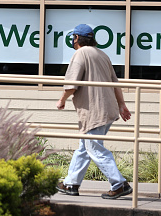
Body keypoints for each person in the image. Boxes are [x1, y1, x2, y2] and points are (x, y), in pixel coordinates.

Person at [56, 23, 133, 200]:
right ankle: (71, 183)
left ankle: (119, 184)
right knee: (85, 147)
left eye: (73, 37)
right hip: (108, 110)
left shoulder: (80, 53)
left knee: (94, 148)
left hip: (94, 111)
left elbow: (72, 84)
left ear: (76, 38)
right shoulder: (102, 54)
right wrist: (121, 104)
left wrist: (62, 100)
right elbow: (115, 83)